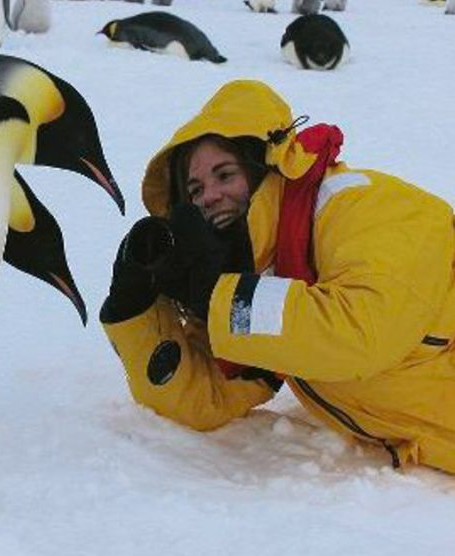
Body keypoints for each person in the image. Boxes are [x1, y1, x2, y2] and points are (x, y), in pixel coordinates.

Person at [100, 79, 455, 474]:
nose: (209, 196)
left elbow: (360, 331)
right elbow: (204, 399)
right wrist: (135, 305)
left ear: (264, 167)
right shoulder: (269, 274)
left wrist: (222, 299)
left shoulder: (368, 209)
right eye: (195, 189)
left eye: (224, 174)